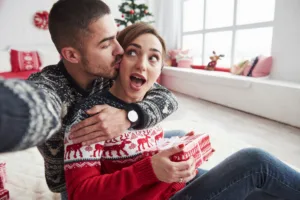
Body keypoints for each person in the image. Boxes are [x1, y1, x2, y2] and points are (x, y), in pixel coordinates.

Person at [63, 23, 300, 200]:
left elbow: (168, 101)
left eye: (153, 58)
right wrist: (147, 170)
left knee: (264, 191)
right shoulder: (91, 115)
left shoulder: (149, 101)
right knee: (255, 163)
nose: (142, 64)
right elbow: (78, 194)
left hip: (171, 186)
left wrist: (174, 164)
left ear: (159, 70)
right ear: (118, 60)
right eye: (132, 52)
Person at [1, 0, 179, 196]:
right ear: (72, 55)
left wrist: (129, 116)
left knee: (179, 137)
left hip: (112, 155)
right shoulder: (51, 85)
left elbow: (166, 97)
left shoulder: (110, 71)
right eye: (106, 44)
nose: (120, 50)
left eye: (116, 37)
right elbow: (38, 105)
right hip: (75, 181)